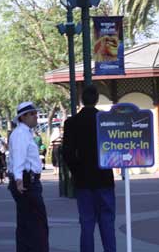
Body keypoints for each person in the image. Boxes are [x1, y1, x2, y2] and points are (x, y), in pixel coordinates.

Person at [63, 85, 116, 252]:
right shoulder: (106, 120)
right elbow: (114, 148)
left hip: (83, 180)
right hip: (104, 178)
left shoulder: (71, 123)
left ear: (81, 99)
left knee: (86, 222)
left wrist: (76, 172)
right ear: (97, 99)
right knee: (107, 221)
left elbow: (67, 153)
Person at [7, 101, 49, 252]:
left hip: (27, 180)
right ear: (23, 117)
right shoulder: (20, 134)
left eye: (35, 113)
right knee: (36, 224)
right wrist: (19, 179)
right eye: (32, 114)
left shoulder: (24, 133)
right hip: (26, 181)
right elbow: (19, 157)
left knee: (28, 224)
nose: (35, 116)